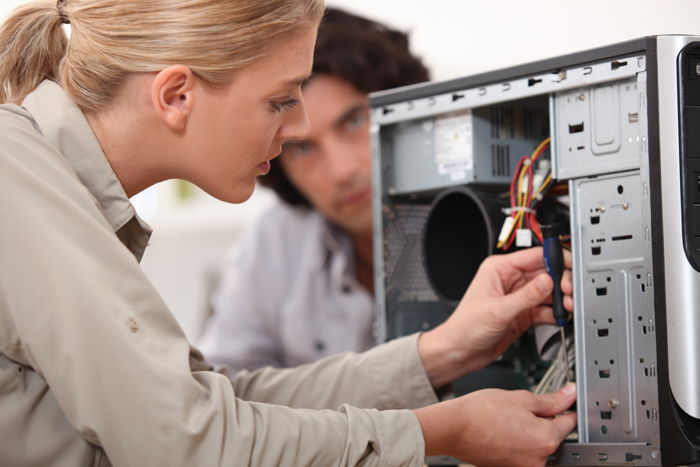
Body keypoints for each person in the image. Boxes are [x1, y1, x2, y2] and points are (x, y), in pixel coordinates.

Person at [0, 1, 576, 466]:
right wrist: (438, 431)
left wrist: (440, 353)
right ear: (176, 96)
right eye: (281, 99)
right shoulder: (15, 173)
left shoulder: (47, 183)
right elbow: (190, 445)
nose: (298, 126)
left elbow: (215, 410)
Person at [198, 8, 431, 373]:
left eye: (354, 121)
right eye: (302, 148)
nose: (342, 171)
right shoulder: (274, 240)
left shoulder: (498, 217)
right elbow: (224, 394)